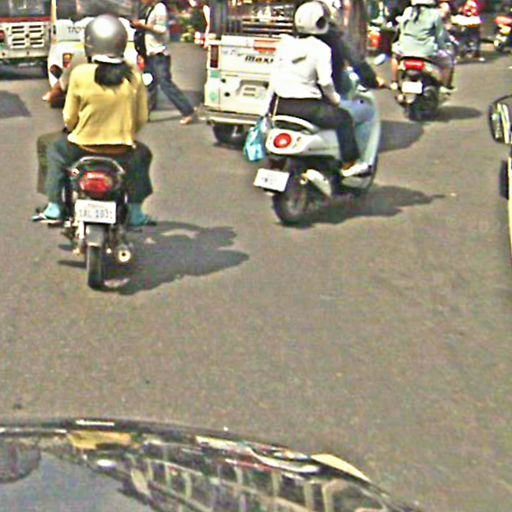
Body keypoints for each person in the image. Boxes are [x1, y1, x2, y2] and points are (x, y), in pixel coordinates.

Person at [33, 14, 155, 227]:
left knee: (51, 149)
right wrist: (126, 134)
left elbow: (69, 117)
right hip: (122, 150)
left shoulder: (80, 74)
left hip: (81, 147)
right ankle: (136, 211)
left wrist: (75, 129)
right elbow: (142, 117)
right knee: (142, 156)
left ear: (90, 44)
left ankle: (54, 205)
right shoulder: (134, 75)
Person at [264, 1, 370, 177]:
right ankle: (349, 164)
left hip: (280, 106)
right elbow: (325, 82)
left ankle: (278, 163)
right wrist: (335, 100)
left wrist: (265, 109)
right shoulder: (321, 49)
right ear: (321, 22)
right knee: (344, 119)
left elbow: (273, 79)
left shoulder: (284, 44)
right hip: (309, 108)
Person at [131, 0, 197, 124]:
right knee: (150, 85)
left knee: (166, 85)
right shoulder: (150, 9)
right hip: (150, 53)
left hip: (159, 54)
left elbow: (162, 29)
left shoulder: (160, 8)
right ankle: (144, 114)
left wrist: (143, 26)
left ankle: (188, 111)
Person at [391, 0, 456, 90]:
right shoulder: (435, 14)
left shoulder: (408, 11)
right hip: (427, 52)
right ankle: (444, 87)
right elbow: (440, 35)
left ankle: (395, 82)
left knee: (395, 57)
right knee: (447, 63)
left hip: (405, 50)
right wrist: (445, 48)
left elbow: (401, 29)